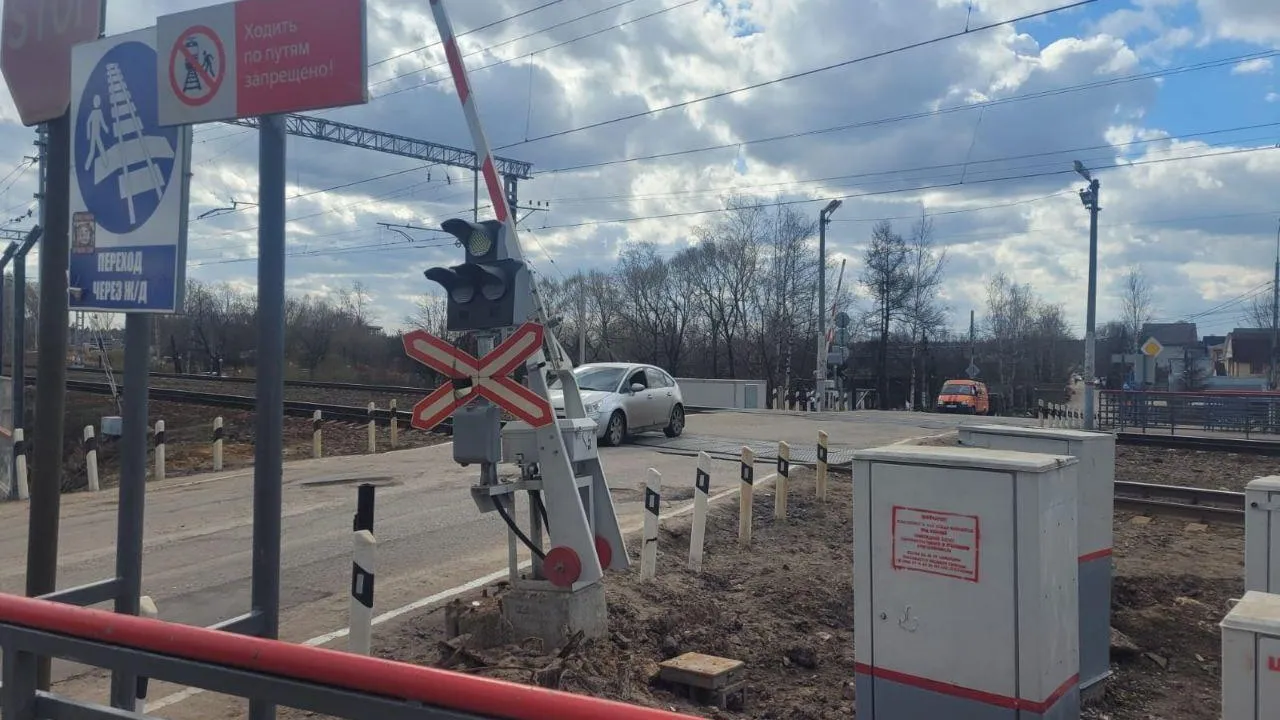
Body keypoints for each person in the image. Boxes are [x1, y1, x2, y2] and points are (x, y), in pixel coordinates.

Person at [84, 94, 108, 172]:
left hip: (96, 135)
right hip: (94, 135)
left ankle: (105, 163)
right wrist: (88, 135)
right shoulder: (95, 112)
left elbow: (101, 123)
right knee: (95, 150)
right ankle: (88, 166)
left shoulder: (97, 112)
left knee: (96, 150)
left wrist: (105, 128)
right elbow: (88, 122)